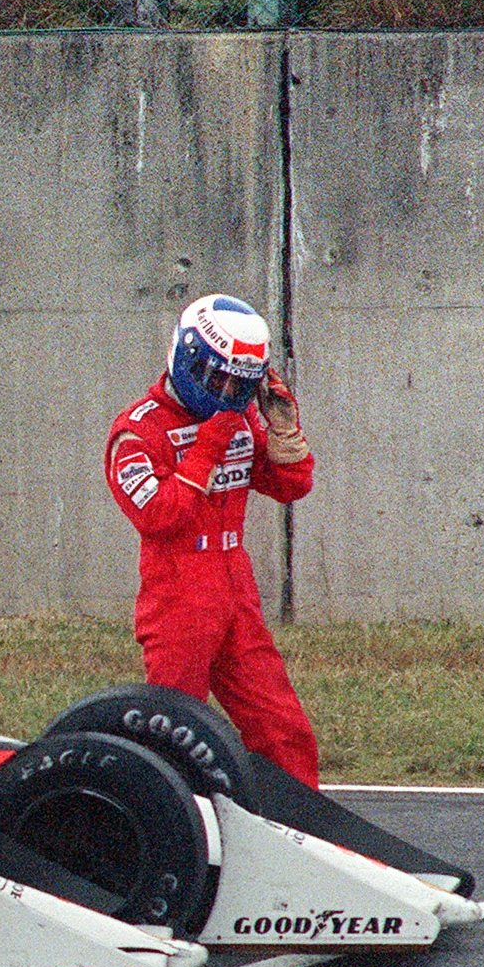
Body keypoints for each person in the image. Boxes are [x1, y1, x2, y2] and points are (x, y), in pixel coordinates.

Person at [104, 293, 319, 787]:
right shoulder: (136, 432)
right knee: (173, 732)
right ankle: (170, 824)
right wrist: (207, 447)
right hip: (178, 592)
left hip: (235, 587)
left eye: (238, 384)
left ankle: (308, 835)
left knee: (281, 725)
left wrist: (286, 433)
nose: (225, 392)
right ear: (187, 357)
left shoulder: (242, 415)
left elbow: (291, 486)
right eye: (215, 378)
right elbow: (160, 518)